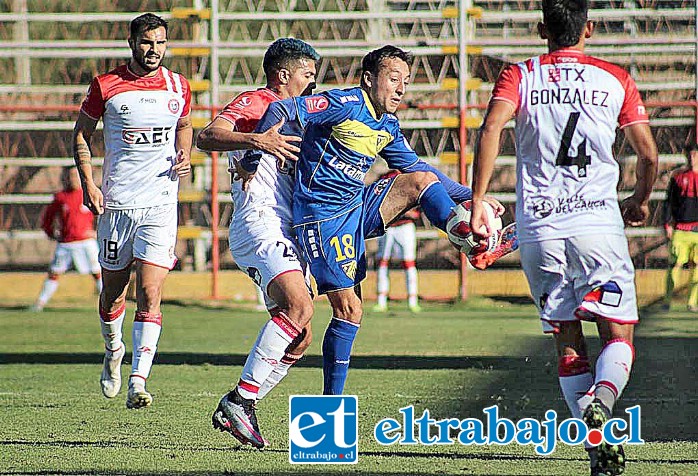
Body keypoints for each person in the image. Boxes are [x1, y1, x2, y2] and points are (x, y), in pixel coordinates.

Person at [225, 45, 515, 447]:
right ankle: (323, 420)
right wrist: (259, 153)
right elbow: (285, 111)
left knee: (419, 182)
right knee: (348, 310)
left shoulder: (387, 125)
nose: (400, 88)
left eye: (406, 82)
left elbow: (420, 168)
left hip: (353, 207)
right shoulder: (343, 102)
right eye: (393, 78)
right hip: (320, 220)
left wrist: (472, 197)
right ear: (368, 78)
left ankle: (464, 233)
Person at [469, 1, 658, 474]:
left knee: (567, 340)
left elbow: (491, 127)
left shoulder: (520, 75)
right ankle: (604, 399)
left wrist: (478, 198)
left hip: (540, 229)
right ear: (589, 28)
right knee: (619, 333)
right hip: (598, 225)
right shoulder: (614, 77)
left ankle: (596, 447)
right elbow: (649, 155)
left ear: (541, 30)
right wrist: (639, 198)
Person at [195, 38, 319, 447]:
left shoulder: (302, 113)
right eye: (306, 74)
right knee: (298, 306)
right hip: (258, 222)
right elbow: (208, 136)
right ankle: (241, 402)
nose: (312, 81)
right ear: (283, 75)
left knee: (300, 335)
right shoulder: (257, 101)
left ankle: (239, 403)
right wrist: (256, 141)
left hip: (285, 228)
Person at [73, 13, 193, 410]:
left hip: (161, 203)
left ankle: (138, 381)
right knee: (112, 294)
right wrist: (89, 184)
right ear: (131, 43)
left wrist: (184, 151)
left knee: (151, 291)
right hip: (117, 205)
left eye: (160, 42)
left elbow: (185, 124)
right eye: (146, 42)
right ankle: (113, 350)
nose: (153, 50)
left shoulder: (179, 86)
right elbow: (81, 136)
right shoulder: (106, 86)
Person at [31, 166, 102, 311]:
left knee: (98, 272)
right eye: (70, 176)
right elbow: (48, 218)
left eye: (76, 175)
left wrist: (97, 233)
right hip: (66, 243)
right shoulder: (61, 197)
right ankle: (40, 304)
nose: (73, 179)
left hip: (86, 242)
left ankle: (109, 304)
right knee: (54, 273)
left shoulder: (89, 194)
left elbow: (103, 215)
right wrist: (51, 233)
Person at [372, 170, 422, 313]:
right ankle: (381, 301)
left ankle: (413, 301)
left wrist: (407, 211)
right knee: (382, 261)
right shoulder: (384, 177)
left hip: (405, 226)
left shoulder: (412, 176)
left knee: (409, 262)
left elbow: (418, 205)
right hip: (387, 226)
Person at [663, 143, 698, 312]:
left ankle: (692, 303)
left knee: (697, 268)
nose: (692, 159)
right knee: (675, 264)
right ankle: (667, 300)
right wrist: (667, 224)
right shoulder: (678, 177)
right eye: (690, 155)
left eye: (695, 155)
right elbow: (668, 202)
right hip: (680, 230)